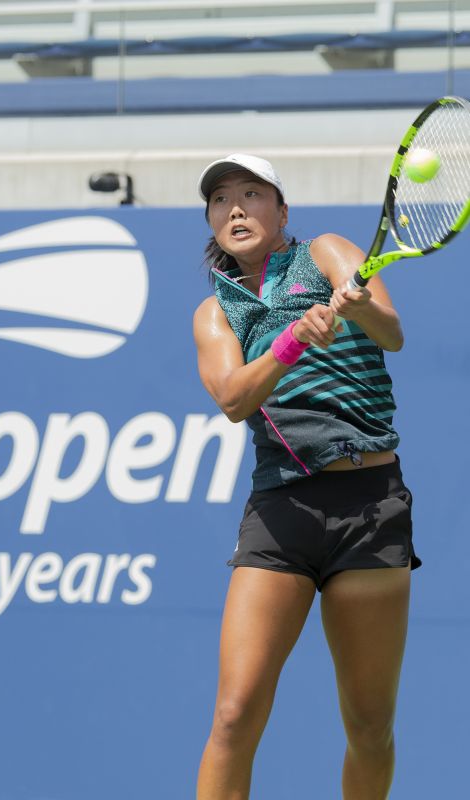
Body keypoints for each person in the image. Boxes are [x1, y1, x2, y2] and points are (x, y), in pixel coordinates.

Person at [193, 153, 421, 800]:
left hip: (370, 506)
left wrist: (353, 309)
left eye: (251, 194)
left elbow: (392, 331)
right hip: (280, 515)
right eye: (220, 201)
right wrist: (291, 339)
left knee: (370, 726)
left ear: (282, 211)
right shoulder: (215, 314)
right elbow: (234, 400)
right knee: (234, 715)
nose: (235, 209)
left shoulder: (325, 251)